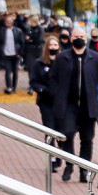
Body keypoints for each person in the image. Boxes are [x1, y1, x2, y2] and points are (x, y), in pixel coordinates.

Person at [48, 26, 98, 182]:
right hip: (68, 105)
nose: (79, 39)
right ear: (71, 39)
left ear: (86, 39)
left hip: (88, 106)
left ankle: (84, 169)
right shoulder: (62, 58)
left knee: (87, 139)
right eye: (76, 36)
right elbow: (53, 79)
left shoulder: (95, 58)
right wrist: (55, 95)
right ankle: (70, 165)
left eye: (82, 37)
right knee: (68, 135)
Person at [30, 36, 62, 171]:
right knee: (49, 129)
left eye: (55, 45)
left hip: (61, 102)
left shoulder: (63, 63)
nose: (53, 47)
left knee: (61, 131)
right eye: (51, 45)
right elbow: (34, 81)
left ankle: (60, 155)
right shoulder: (39, 63)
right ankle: (52, 159)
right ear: (47, 46)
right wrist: (42, 90)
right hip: (46, 102)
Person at [0, 14, 25, 94]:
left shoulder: (18, 31)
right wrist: (1, 51)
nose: (9, 22)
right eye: (7, 21)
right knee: (7, 71)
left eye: (10, 21)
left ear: (13, 22)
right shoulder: (2, 31)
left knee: (15, 71)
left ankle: (14, 87)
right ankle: (8, 87)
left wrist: (20, 53)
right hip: (6, 54)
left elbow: (22, 43)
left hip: (16, 54)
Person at [23, 15, 44, 95]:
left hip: (37, 50)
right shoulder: (29, 29)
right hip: (30, 51)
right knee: (30, 68)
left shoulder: (40, 29)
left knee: (38, 67)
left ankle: (39, 83)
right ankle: (31, 85)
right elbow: (26, 38)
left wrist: (30, 40)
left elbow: (39, 40)